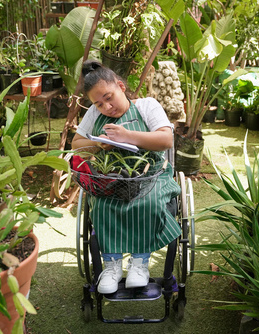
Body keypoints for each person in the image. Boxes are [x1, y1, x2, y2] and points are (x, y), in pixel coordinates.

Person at [72, 60, 181, 294]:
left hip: (150, 176)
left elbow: (165, 140)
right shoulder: (93, 114)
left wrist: (127, 136)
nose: (106, 107)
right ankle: (111, 266)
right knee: (100, 205)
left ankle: (139, 264)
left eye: (109, 97)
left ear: (121, 86)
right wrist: (98, 142)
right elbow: (77, 145)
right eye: (99, 104)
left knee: (148, 204)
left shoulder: (146, 106)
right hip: (112, 178)